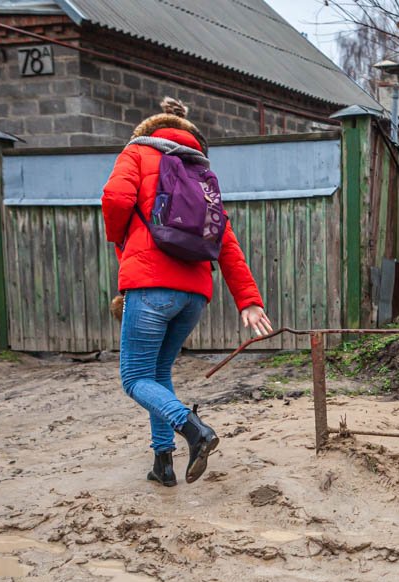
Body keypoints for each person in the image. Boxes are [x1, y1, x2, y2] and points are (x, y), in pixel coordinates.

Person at [102, 98, 273, 487]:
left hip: (150, 286)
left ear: (146, 130)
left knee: (133, 378)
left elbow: (115, 199)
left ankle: (194, 430)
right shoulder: (199, 170)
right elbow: (225, 240)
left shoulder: (137, 153)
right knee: (158, 373)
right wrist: (248, 300)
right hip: (194, 294)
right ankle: (163, 464)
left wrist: (121, 238)